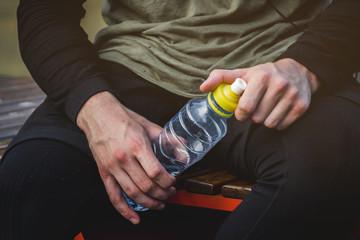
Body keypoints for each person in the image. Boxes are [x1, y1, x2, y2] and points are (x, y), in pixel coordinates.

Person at [1, 0, 360, 239]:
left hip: (274, 70)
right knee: (24, 183)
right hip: (133, 61)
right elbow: (44, 12)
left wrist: (307, 63)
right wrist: (94, 108)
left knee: (324, 167)